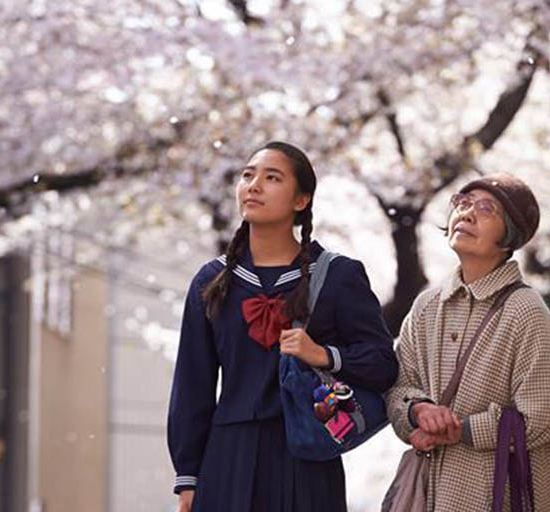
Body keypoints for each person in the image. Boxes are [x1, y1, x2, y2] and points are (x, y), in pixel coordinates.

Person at [167, 141, 399, 512]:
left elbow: (383, 364)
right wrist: (188, 479)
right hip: (226, 459)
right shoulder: (211, 281)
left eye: (271, 177)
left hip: (307, 456)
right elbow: (192, 385)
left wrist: (323, 355)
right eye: (247, 175)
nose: (254, 185)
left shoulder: (338, 276)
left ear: (301, 200)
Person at [386, 174, 550, 511]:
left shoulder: (525, 309)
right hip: (432, 493)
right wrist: (418, 411)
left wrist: (462, 429)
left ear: (510, 234)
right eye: (461, 204)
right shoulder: (426, 306)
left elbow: (546, 415)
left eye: (486, 208)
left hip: (496, 495)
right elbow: (398, 385)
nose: (466, 214)